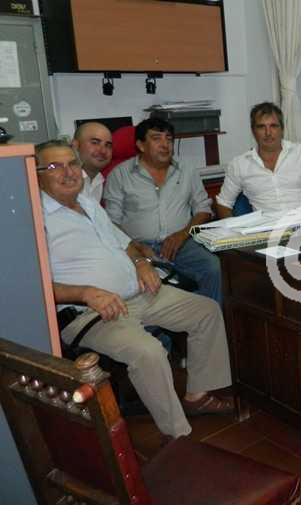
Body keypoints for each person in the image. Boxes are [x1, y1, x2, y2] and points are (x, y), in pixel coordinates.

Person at [36, 139, 233, 439]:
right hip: (91, 313)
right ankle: (179, 436)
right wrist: (85, 293)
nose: (68, 172)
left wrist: (141, 262)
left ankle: (197, 395)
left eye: (72, 163)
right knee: (149, 352)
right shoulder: (35, 219)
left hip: (139, 294)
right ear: (37, 175)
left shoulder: (87, 203)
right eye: (54, 166)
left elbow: (124, 242)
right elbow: (35, 287)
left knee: (206, 310)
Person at [103, 118, 222, 305]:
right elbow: (111, 223)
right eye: (156, 138)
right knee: (150, 286)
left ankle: (209, 319)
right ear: (141, 145)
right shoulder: (119, 175)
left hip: (182, 244)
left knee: (212, 267)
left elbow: (203, 208)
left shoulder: (186, 170)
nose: (165, 144)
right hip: (138, 247)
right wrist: (136, 247)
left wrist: (182, 235)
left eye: (169, 139)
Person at [72, 121, 113, 202]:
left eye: (108, 145)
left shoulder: (98, 180)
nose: (103, 151)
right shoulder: (66, 181)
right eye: (95, 143)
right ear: (76, 145)